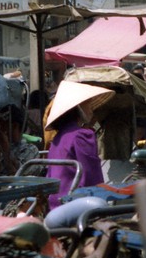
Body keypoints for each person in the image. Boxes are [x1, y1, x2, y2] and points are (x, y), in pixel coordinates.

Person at [45, 81, 115, 209]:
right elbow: (92, 178)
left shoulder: (58, 137)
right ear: (78, 107)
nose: (91, 109)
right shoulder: (82, 135)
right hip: (75, 205)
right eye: (88, 104)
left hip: (54, 204)